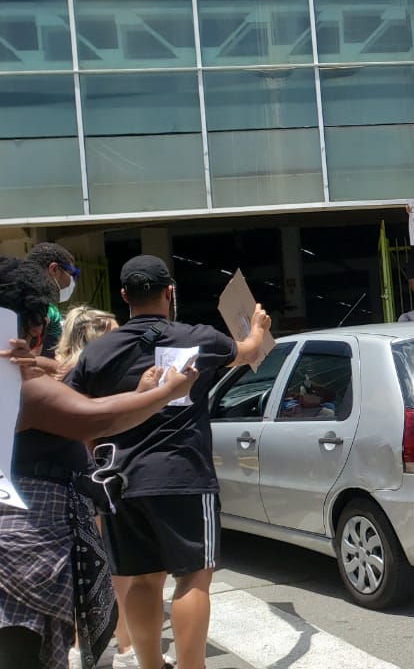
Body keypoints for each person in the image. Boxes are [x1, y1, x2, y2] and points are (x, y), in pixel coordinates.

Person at [0, 254, 198, 669]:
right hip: (23, 542)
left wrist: (41, 362)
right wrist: (165, 392)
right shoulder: (20, 388)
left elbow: (70, 393)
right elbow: (97, 416)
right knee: (24, 658)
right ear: (35, 330)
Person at [65, 255, 272, 669]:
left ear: (124, 296)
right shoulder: (198, 338)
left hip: (120, 479)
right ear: (169, 292)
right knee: (194, 576)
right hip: (184, 475)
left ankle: (150, 665)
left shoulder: (97, 352)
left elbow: (72, 408)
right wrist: (259, 326)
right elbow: (249, 351)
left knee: (141, 579)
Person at [52, 305, 142, 667]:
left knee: (79, 565)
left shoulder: (55, 374)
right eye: (115, 334)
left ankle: (81, 644)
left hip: (64, 480)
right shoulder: (91, 378)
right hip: (96, 479)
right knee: (112, 565)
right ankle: (123, 645)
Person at [24, 241, 80, 361]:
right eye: (72, 274)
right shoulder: (42, 309)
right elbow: (28, 362)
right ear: (54, 269)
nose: (72, 281)